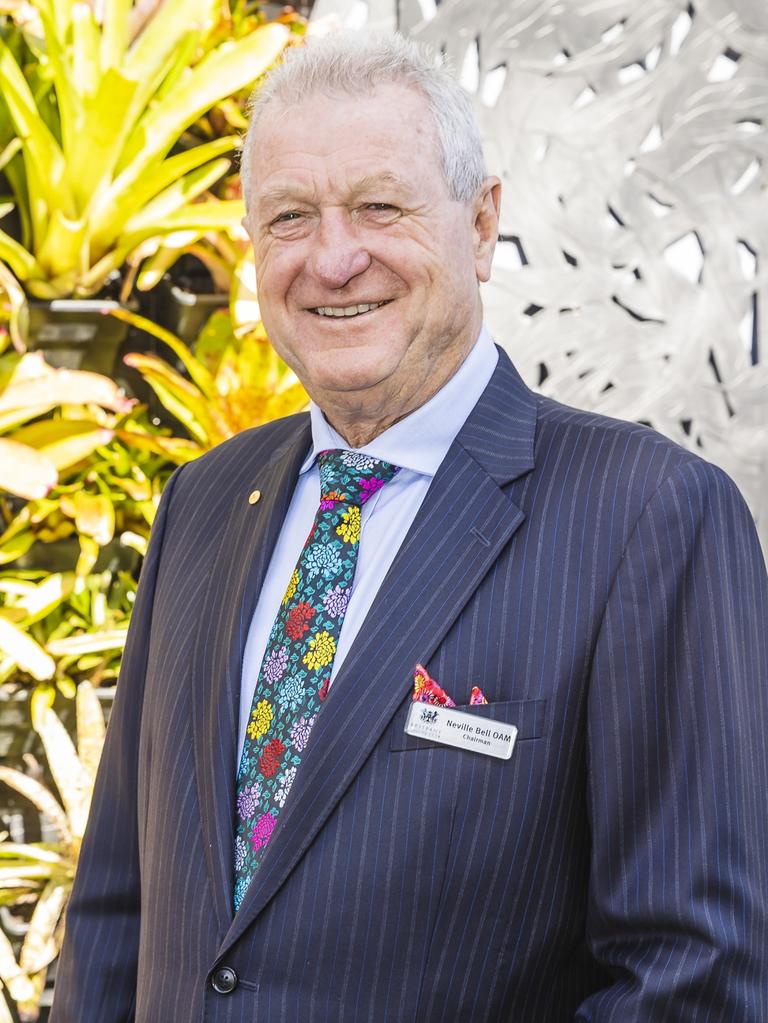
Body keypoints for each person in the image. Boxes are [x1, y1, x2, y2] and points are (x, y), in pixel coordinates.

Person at [51, 31, 767, 1023]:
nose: (335, 258)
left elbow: (696, 976)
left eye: (380, 206)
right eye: (290, 217)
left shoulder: (650, 518)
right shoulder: (205, 502)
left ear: (481, 225)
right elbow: (116, 912)